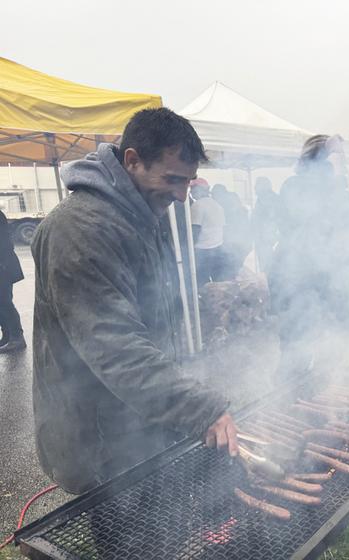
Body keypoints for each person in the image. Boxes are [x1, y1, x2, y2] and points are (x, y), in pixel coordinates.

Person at [31, 107, 238, 496]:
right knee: (122, 536)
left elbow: (154, 309)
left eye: (189, 183)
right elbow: (115, 346)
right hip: (97, 436)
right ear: (132, 160)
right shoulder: (80, 230)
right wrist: (199, 408)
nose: (181, 196)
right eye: (173, 179)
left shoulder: (140, 213)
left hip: (137, 420)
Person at [269, 134, 349, 378]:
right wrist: (323, 150)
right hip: (301, 289)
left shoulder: (342, 196)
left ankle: (320, 396)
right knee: (296, 353)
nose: (341, 161)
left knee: (333, 354)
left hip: (339, 290)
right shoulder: (296, 188)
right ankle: (286, 400)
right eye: (335, 156)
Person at [190, 178, 226, 287]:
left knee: (202, 284)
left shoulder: (198, 205)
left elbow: (195, 230)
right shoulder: (217, 205)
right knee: (217, 286)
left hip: (203, 251)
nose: (191, 193)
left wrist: (188, 248)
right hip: (218, 249)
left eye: (192, 189)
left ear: (200, 190)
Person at [211, 183, 252, 279]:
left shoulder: (228, 206)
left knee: (231, 271)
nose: (213, 197)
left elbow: (229, 228)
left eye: (214, 195)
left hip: (236, 244)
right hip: (241, 243)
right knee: (234, 270)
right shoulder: (239, 208)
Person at [0, 209, 26, 353]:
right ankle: (7, 336)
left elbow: (4, 241)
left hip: (3, 265)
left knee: (4, 302)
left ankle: (17, 338)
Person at [251, 176, 281, 274]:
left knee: (268, 266)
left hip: (267, 238)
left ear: (263, 186)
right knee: (265, 266)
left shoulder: (269, 198)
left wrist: (267, 236)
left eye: (256, 185)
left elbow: (272, 219)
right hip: (263, 237)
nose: (254, 188)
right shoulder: (262, 198)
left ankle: (270, 283)